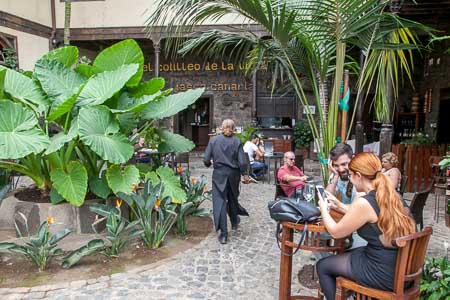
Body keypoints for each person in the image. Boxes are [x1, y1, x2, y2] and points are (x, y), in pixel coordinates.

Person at [316, 152, 416, 300]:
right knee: (348, 253)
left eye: (350, 175)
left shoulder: (365, 202)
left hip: (383, 273)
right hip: (401, 267)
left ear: (358, 175)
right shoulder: (390, 195)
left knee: (323, 265)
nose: (350, 178)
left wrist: (323, 209)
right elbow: (369, 214)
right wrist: (339, 204)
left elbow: (336, 233)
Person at [204, 119, 249, 244]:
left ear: (221, 128)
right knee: (233, 197)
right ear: (233, 129)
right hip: (233, 175)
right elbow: (242, 161)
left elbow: (206, 159)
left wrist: (208, 164)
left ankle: (223, 234)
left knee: (220, 202)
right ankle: (234, 221)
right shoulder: (237, 141)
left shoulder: (213, 141)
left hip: (219, 174)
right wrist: (245, 174)